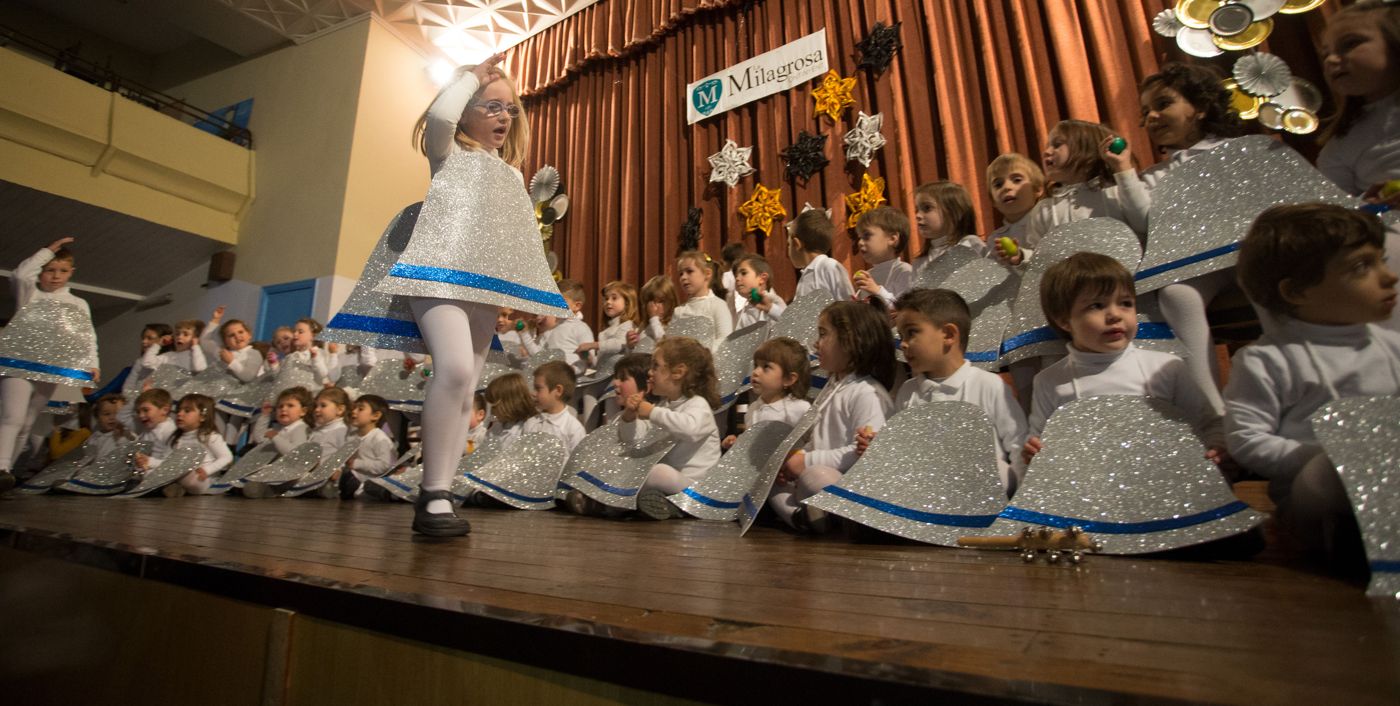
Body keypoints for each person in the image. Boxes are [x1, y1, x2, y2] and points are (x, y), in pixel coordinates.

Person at [371, 54, 570, 536]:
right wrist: (469, 77)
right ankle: (432, 492)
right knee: (455, 369)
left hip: (481, 286)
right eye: (491, 107)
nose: (504, 117)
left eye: (510, 110)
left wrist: (524, 294)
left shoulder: (508, 174)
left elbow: (510, 240)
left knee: (467, 386)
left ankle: (438, 490)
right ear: (465, 111)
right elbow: (439, 116)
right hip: (436, 274)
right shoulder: (448, 153)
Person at [1225, 204, 1399, 557]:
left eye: (1381, 260)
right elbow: (1246, 438)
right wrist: (1326, 456)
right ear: (1297, 292)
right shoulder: (1270, 360)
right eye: (1362, 267)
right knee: (1334, 478)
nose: (1389, 276)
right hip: (1319, 494)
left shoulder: (1390, 345)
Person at [1021, 253, 1224, 467]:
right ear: (1064, 320)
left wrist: (1217, 448)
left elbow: (1208, 424)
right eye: (1096, 306)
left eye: (1125, 303)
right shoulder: (1049, 381)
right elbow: (1039, 440)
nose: (1115, 315)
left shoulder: (1166, 367)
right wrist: (1034, 455)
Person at [859, 289, 1029, 494]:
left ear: (949, 335)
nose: (903, 344)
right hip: (924, 494)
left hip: (981, 498)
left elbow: (1018, 447)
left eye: (912, 332)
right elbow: (904, 450)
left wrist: (1019, 510)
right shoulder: (908, 391)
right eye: (901, 335)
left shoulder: (989, 385)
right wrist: (879, 447)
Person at [769, 300, 896, 532]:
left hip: (846, 482)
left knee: (815, 476)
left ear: (851, 341)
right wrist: (790, 461)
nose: (817, 344)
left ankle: (831, 518)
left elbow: (864, 454)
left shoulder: (867, 392)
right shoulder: (831, 387)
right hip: (813, 480)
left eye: (823, 334)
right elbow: (818, 439)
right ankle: (801, 517)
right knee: (768, 478)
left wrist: (807, 461)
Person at [0, 237, 99, 492]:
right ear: (42, 271)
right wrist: (47, 252)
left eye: (62, 271)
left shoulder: (78, 303)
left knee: (28, 421)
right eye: (50, 270)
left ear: (71, 273)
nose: (56, 276)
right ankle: (2, 467)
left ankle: (9, 471)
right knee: (13, 415)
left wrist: (91, 363)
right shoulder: (30, 294)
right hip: (19, 362)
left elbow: (86, 336)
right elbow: (21, 275)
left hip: (53, 367)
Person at [618, 337, 722, 520]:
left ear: (678, 372)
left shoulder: (698, 404)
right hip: (673, 487)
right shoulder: (666, 406)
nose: (650, 373)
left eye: (656, 366)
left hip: (698, 489)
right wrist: (629, 417)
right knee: (632, 465)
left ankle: (614, 502)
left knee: (657, 471)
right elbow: (634, 439)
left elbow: (690, 429)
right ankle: (668, 505)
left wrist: (652, 412)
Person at [723, 337, 811, 450]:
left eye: (766, 367)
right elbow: (750, 443)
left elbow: (814, 440)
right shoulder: (753, 408)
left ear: (788, 379)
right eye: (756, 366)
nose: (755, 372)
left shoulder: (800, 408)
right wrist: (737, 442)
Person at [153, 394, 233, 497]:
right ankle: (174, 488)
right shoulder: (176, 438)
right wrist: (150, 462)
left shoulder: (209, 436)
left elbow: (227, 457)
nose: (180, 414)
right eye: (179, 410)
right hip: (179, 475)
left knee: (192, 479)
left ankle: (172, 487)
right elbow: (168, 462)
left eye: (187, 411)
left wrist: (207, 470)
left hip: (202, 479)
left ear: (203, 416)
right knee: (152, 472)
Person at [911, 181, 983, 274]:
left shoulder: (970, 244)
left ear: (956, 212)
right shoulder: (919, 263)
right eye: (916, 210)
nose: (918, 215)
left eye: (927, 208)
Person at [786, 209, 855, 305]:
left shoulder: (829, 267)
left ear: (796, 244)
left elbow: (849, 306)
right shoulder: (806, 275)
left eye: (788, 244)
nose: (787, 251)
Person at [851, 206, 914, 309]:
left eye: (867, 236)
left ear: (892, 239)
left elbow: (905, 310)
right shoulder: (869, 275)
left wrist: (877, 291)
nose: (860, 242)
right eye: (860, 237)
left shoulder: (904, 271)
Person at [672, 250, 734, 348]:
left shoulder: (718, 306)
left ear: (707, 274)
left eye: (689, 271)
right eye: (680, 274)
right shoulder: (679, 311)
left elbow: (724, 342)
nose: (683, 277)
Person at [522, 360, 586, 454]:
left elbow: (578, 464)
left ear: (558, 390)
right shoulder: (531, 424)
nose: (533, 393)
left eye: (538, 388)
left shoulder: (573, 429)